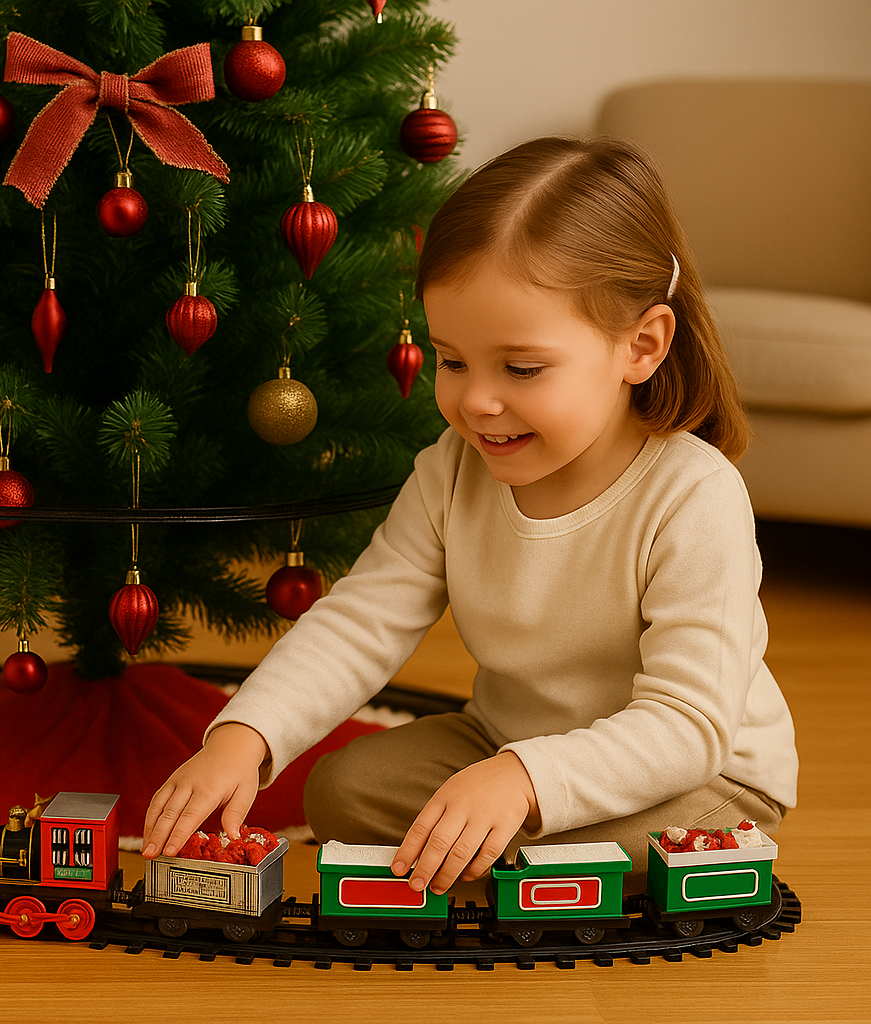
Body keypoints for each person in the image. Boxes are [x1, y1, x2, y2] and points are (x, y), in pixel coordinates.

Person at [142, 136, 798, 895]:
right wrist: (244, 737)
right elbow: (363, 620)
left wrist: (524, 780)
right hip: (506, 740)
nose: (476, 403)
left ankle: (524, 862)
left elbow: (688, 725)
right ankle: (504, 852)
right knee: (341, 794)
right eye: (452, 361)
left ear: (641, 346)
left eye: (521, 369)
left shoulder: (694, 496)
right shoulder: (452, 469)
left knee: (569, 850)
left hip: (701, 779)